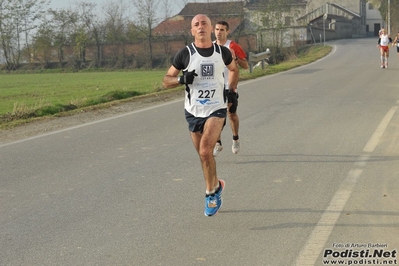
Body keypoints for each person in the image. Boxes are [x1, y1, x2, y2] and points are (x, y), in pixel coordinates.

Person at [162, 14, 239, 216]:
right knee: (203, 156)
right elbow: (166, 80)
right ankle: (216, 185)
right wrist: (181, 80)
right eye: (196, 24)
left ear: (211, 27)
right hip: (193, 110)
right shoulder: (185, 53)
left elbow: (234, 68)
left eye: (204, 23)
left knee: (206, 151)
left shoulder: (222, 52)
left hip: (216, 108)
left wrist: (232, 89)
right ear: (192, 31)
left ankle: (210, 194)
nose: (201, 26)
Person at [213, 20, 249, 156]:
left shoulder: (232, 46)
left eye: (222, 30)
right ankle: (218, 143)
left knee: (231, 114)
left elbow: (245, 65)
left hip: (230, 85)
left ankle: (235, 139)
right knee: (215, 116)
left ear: (227, 32)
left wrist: (235, 59)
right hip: (214, 87)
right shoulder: (210, 47)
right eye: (217, 29)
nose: (218, 32)